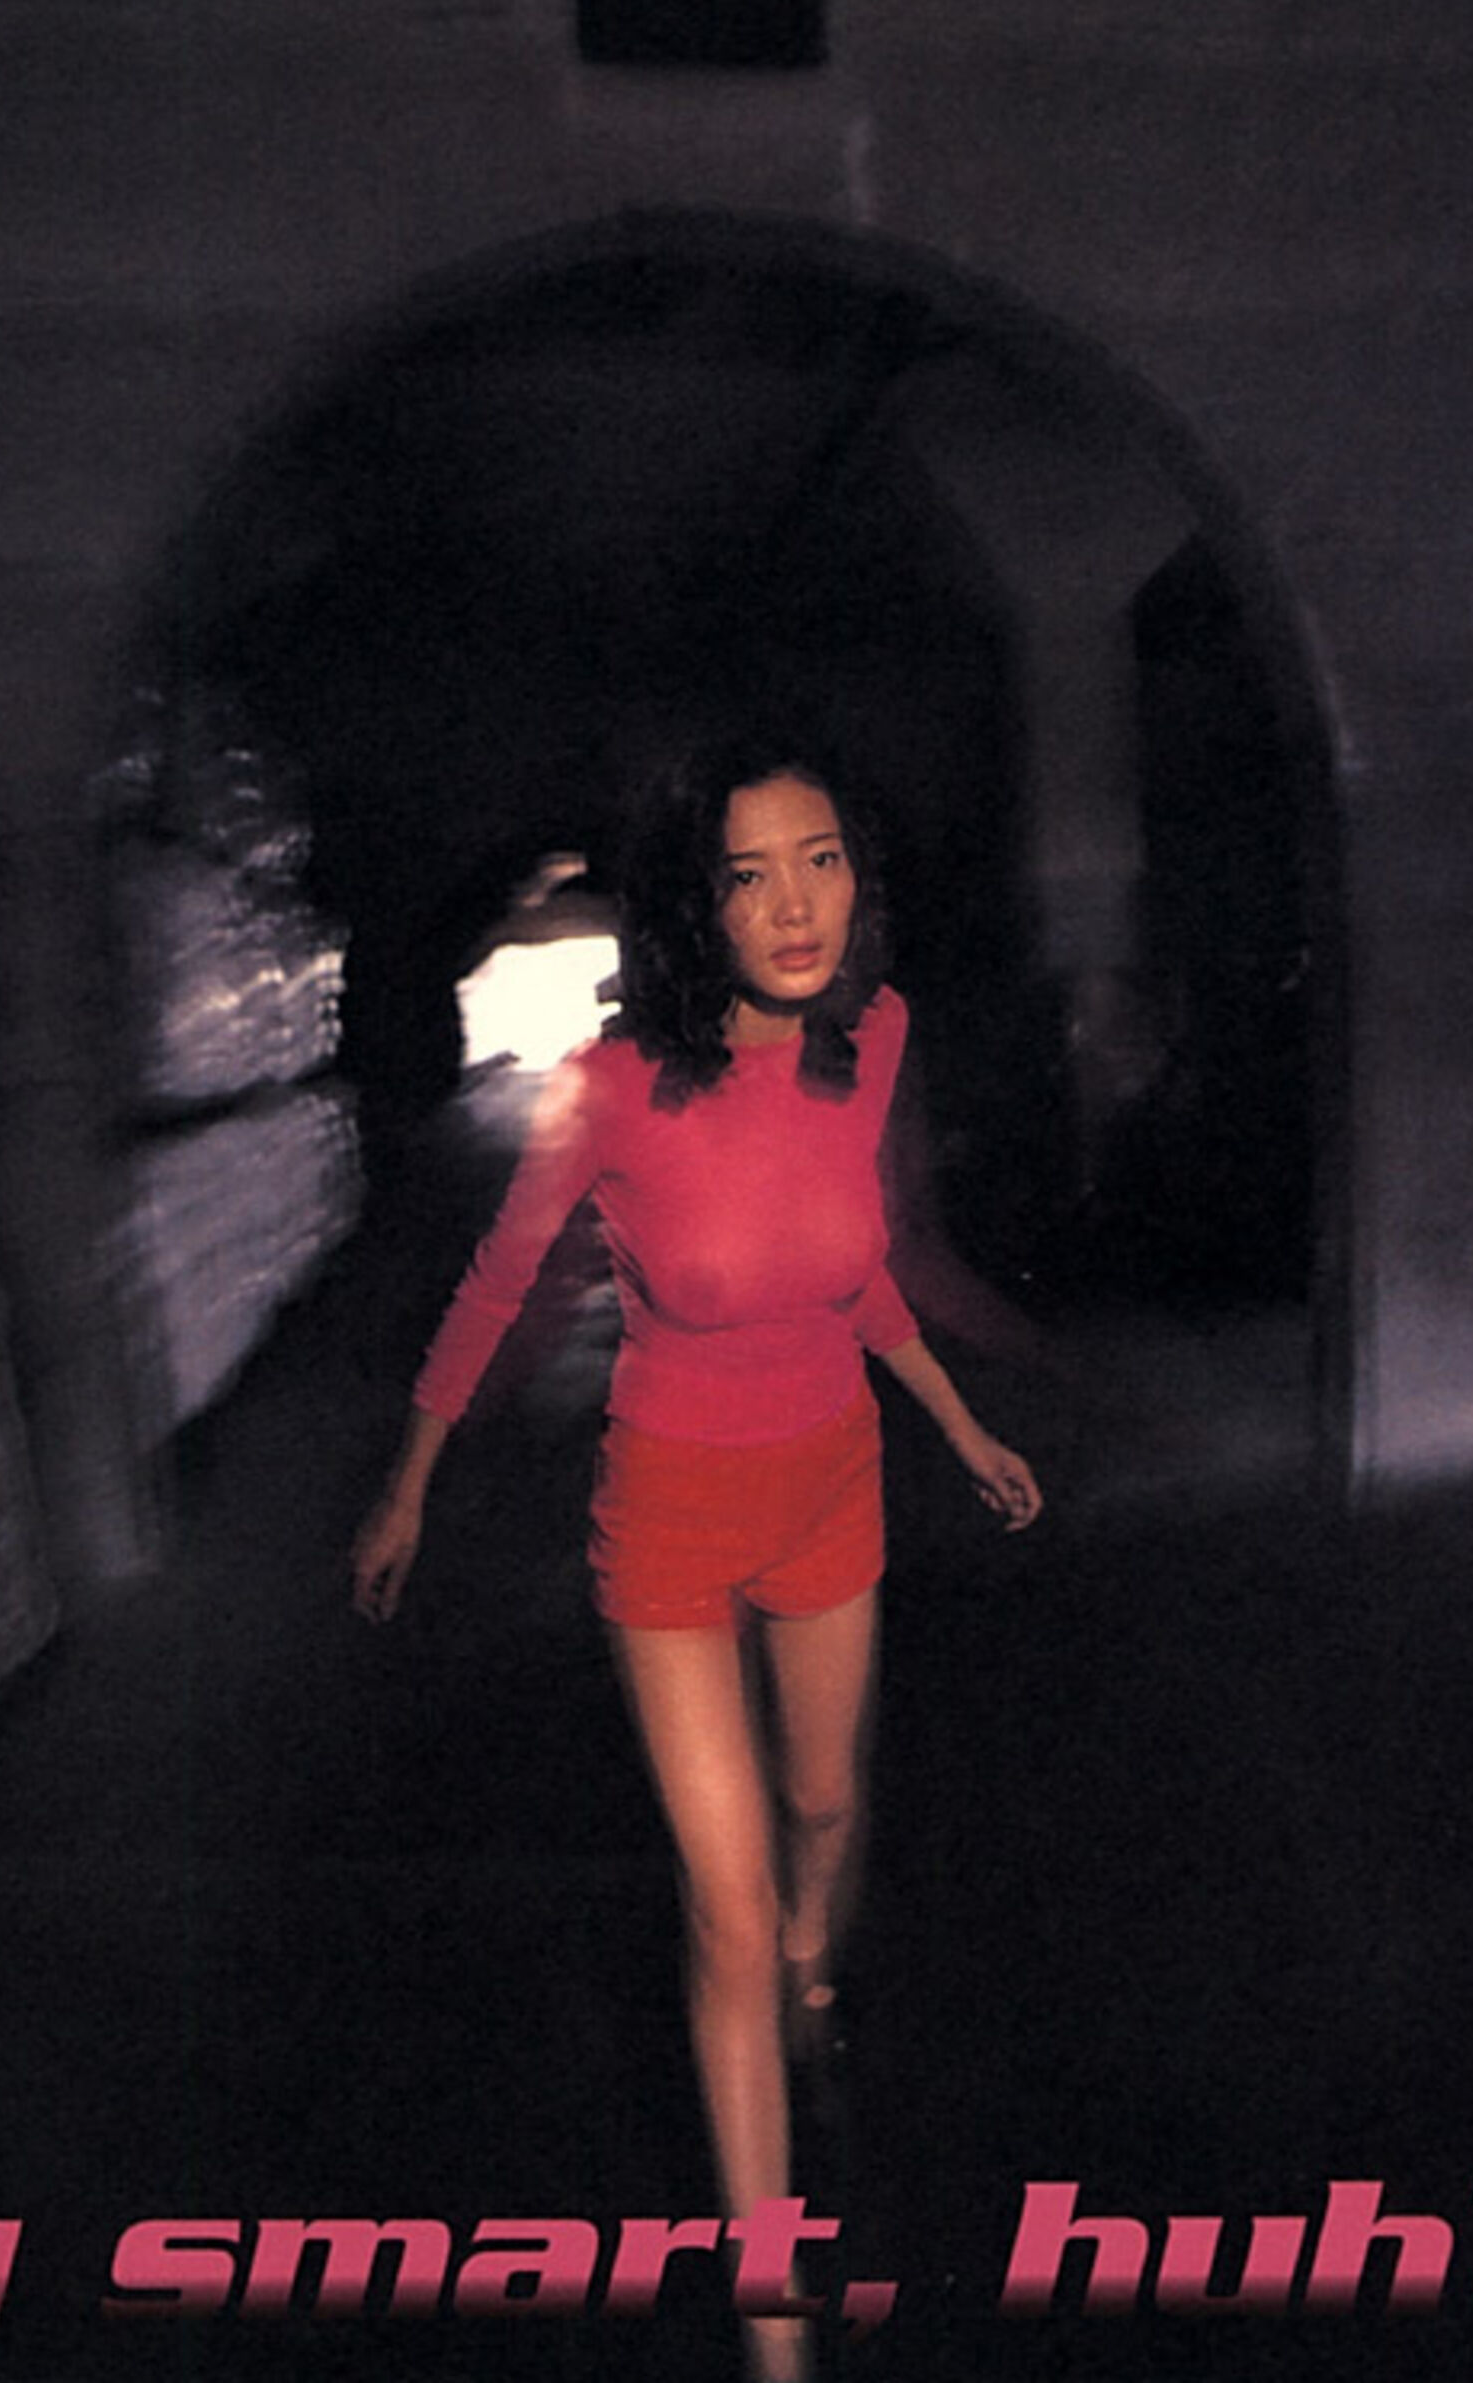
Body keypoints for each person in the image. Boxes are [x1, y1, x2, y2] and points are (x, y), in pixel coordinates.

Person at [351, 734, 1043, 2381]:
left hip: (832, 1486)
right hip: (668, 1511)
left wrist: (960, 1425)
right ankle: (772, 2316)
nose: (795, 906)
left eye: (822, 861)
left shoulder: (874, 1039)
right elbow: (495, 1288)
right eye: (750, 874)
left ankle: (817, 1973)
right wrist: (409, 1486)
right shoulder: (612, 1091)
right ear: (698, 905)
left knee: (827, 1812)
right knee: (727, 1915)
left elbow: (855, 1271)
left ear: (858, 882)